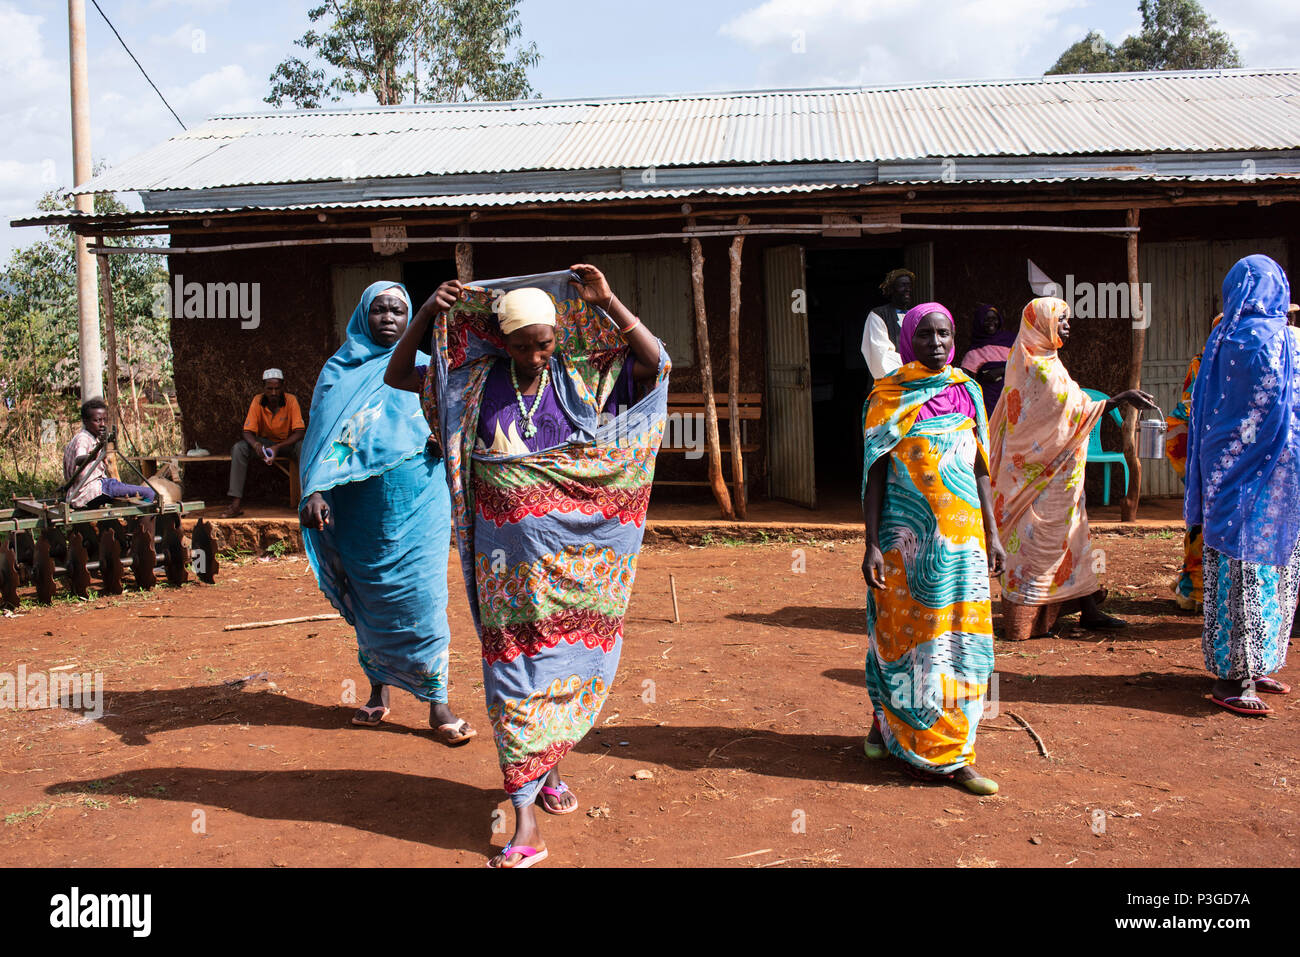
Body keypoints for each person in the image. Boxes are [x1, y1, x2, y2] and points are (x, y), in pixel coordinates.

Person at [389, 265, 668, 868]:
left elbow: (656, 363)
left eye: (543, 343)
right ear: (500, 341)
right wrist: (425, 315)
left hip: (576, 560)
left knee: (563, 661)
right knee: (514, 671)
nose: (534, 356)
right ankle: (525, 819)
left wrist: (609, 298)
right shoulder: (469, 382)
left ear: (557, 338)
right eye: (521, 345)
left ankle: (551, 766)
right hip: (506, 568)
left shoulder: (581, 375)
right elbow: (397, 373)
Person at [299, 282, 474, 744]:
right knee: (370, 598)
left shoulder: (427, 369)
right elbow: (321, 440)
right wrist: (314, 491)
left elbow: (458, 422)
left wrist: (444, 437)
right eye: (380, 310)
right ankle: (378, 691)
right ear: (363, 315)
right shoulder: (339, 372)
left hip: (420, 500)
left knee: (424, 598)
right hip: (358, 507)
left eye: (399, 311)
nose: (389, 319)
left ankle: (438, 704)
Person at [861, 302, 1004, 795]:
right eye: (926, 335)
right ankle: (907, 738)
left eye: (945, 333)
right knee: (908, 641)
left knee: (960, 643)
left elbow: (981, 467)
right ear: (907, 341)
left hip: (963, 545)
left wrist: (993, 533)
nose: (938, 343)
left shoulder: (968, 391)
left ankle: (950, 749)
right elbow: (875, 474)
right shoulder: (888, 396)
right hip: (908, 546)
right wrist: (871, 544)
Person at [988, 298, 1156, 640]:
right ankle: (1029, 617)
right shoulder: (1036, 364)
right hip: (1036, 476)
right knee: (1038, 544)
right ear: (1042, 323)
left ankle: (1087, 608)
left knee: (1073, 537)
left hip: (1056, 474)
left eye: (1067, 319)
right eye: (1061, 320)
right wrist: (1119, 398)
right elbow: (1067, 411)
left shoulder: (1039, 357)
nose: (1067, 325)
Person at [1186, 255, 1300, 717]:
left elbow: (1208, 412)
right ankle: (1240, 675)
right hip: (1274, 475)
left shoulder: (1220, 340)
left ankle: (1243, 666)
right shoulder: (1283, 340)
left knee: (1235, 568)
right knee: (1264, 567)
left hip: (1226, 473)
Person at [1163, 313, 1222, 613]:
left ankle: (1197, 586)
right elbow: (1188, 406)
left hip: (1215, 452)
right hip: (1208, 453)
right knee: (1205, 520)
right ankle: (1197, 587)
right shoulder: (1204, 363)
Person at [222, 369, 305, 517]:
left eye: (277, 388)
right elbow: (247, 431)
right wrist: (256, 445)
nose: (273, 393)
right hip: (265, 444)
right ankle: (235, 504)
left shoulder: (291, 400)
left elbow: (299, 432)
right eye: (269, 388)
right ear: (263, 388)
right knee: (239, 448)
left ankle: (308, 498)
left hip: (286, 444)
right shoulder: (257, 400)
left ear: (282, 388)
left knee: (303, 448)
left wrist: (278, 447)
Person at [63, 398, 155, 509]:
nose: (102, 424)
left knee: (118, 485)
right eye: (97, 420)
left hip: (82, 490)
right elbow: (79, 459)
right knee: (150, 493)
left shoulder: (90, 438)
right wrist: (93, 456)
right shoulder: (83, 439)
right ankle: (142, 523)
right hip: (89, 490)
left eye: (104, 420)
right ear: (85, 421)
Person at [860, 268, 915, 388]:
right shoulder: (878, 315)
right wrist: (912, 369)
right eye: (903, 285)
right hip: (891, 384)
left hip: (916, 381)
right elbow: (880, 354)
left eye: (909, 286)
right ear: (891, 290)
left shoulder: (916, 315)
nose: (908, 289)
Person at [960, 303, 1017, 417]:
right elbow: (966, 380)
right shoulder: (975, 350)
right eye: (986, 319)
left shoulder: (1011, 340)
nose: (991, 323)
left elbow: (1024, 362)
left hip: (1013, 396)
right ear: (979, 322)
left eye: (994, 319)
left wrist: (1001, 370)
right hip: (989, 401)